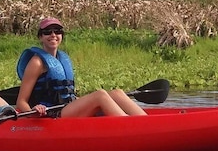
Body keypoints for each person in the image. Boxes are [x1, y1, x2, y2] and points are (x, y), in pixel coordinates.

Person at [15, 17, 147, 117]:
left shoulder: (62, 58)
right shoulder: (37, 62)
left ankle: (146, 123)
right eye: (47, 32)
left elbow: (67, 93)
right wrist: (33, 112)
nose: (53, 35)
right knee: (100, 95)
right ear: (40, 37)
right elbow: (21, 102)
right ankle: (131, 127)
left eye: (57, 31)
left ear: (62, 35)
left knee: (116, 93)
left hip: (68, 106)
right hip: (53, 113)